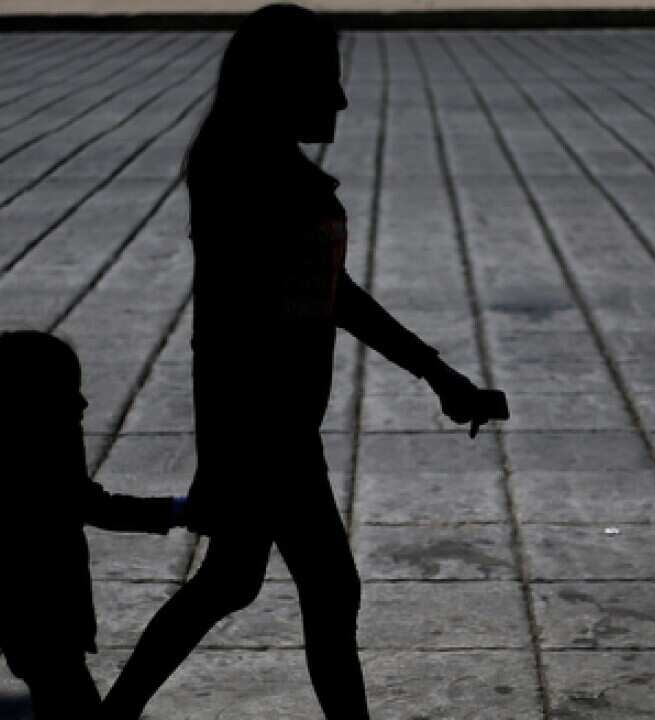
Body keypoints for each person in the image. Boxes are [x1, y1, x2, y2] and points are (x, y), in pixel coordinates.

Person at [100, 5, 507, 718]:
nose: (342, 99)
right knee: (323, 588)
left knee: (232, 583)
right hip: (266, 429)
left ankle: (113, 715)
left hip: (275, 425)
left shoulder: (266, 173)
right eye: (326, 80)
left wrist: (436, 374)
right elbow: (222, 331)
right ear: (279, 82)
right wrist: (223, 453)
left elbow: (332, 295)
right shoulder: (246, 181)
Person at [0, 330, 190, 717]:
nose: (82, 401)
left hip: (31, 628)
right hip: (48, 625)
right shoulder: (40, 463)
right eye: (68, 391)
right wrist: (178, 510)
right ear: (32, 402)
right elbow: (92, 505)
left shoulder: (2, 465)